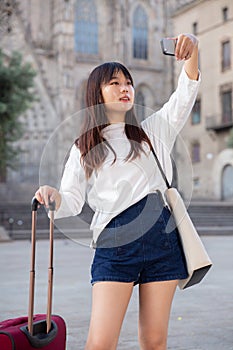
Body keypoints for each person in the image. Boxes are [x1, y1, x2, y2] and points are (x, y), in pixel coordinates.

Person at [35, 33, 200, 350]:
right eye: (114, 83)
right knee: (100, 343)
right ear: (96, 92)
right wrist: (51, 195)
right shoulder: (84, 147)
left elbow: (186, 92)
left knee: (154, 341)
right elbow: (70, 200)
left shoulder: (153, 131)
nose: (125, 89)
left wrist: (192, 49)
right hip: (115, 242)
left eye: (128, 83)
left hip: (161, 239)